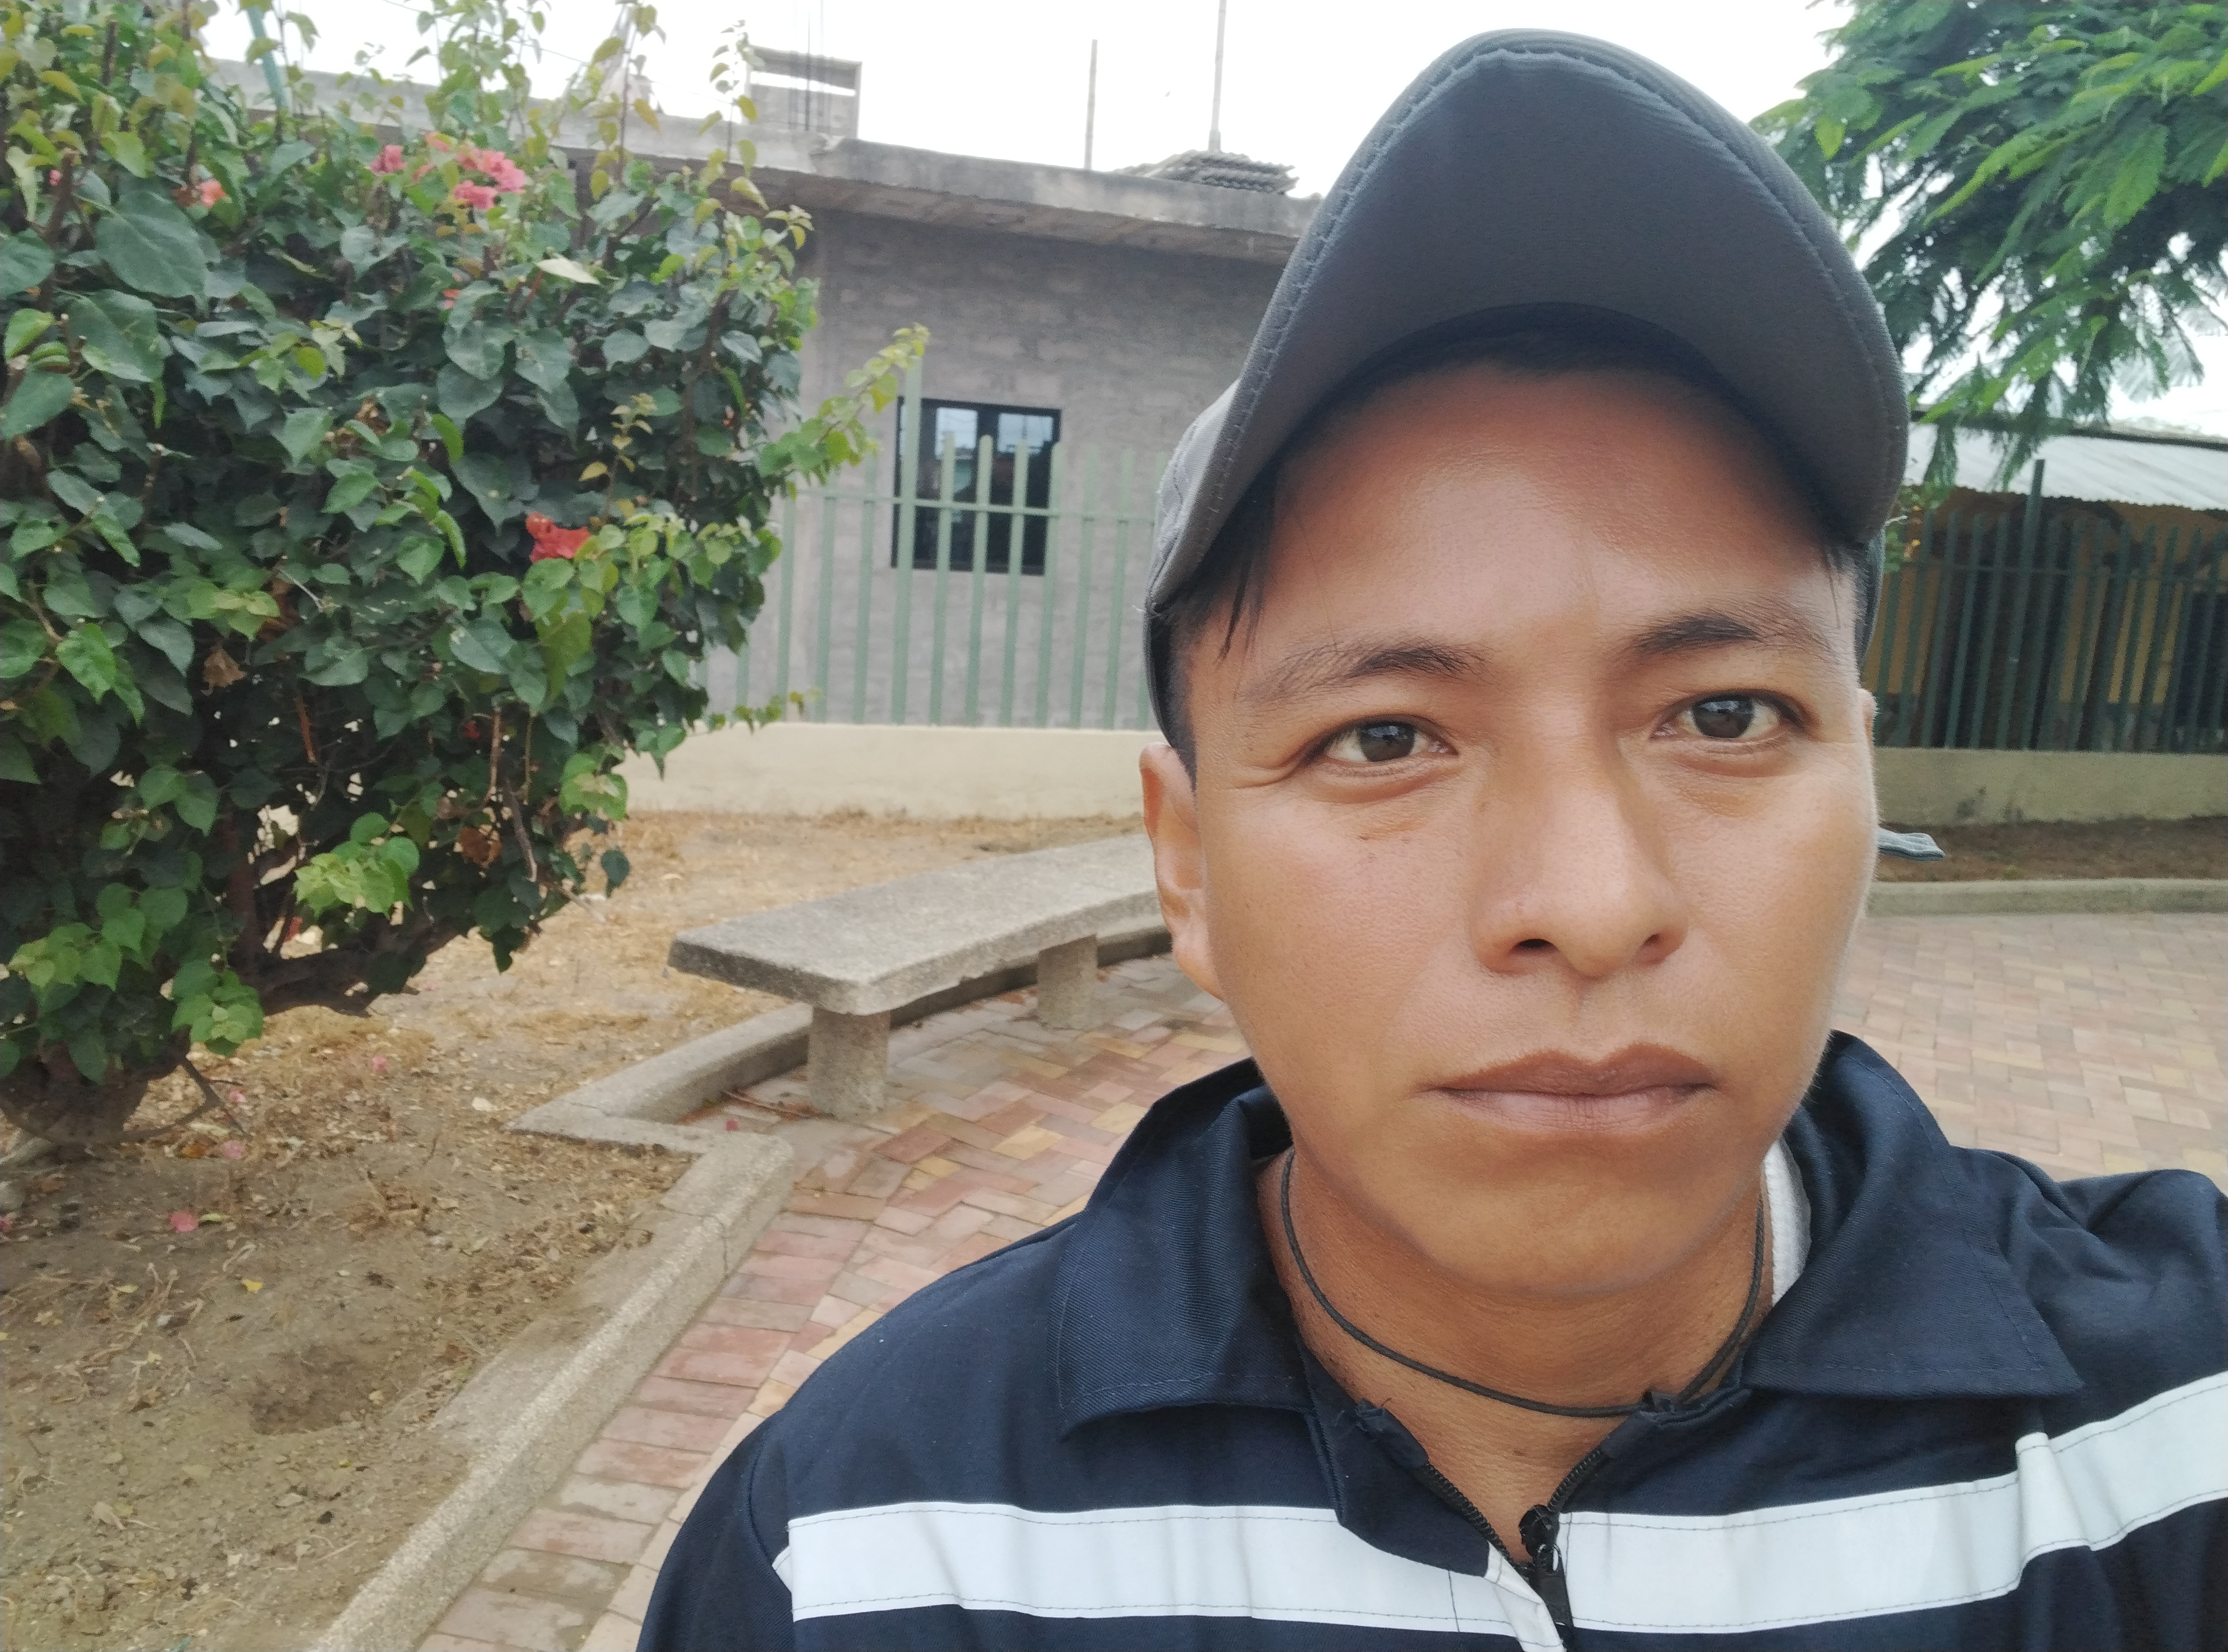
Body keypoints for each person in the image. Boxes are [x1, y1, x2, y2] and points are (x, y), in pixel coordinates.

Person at [640, 32, 2226, 1651]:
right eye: (1385, 738)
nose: (1591, 906)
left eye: (1726, 714)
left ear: (1864, 778)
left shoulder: (2178, 1435)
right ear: (1188, 866)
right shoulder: (867, 1548)